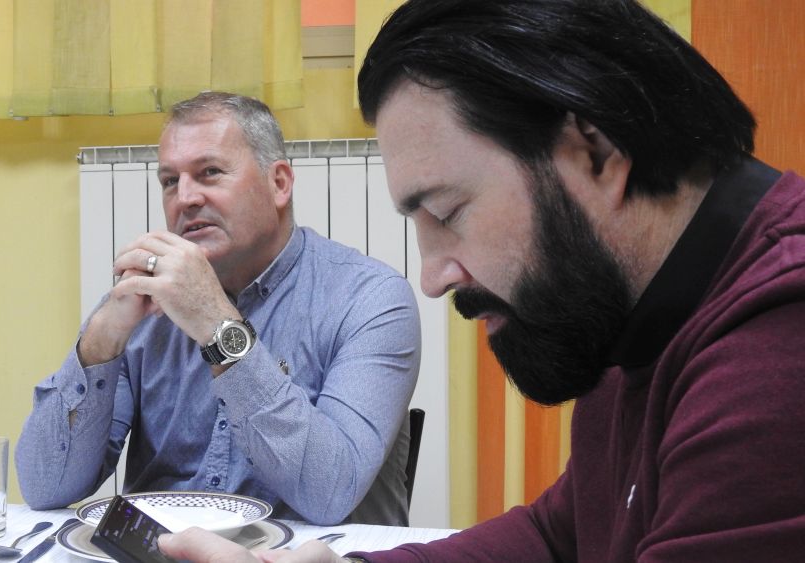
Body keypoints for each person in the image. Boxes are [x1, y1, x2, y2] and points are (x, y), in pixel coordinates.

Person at [156, 0, 805, 561]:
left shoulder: (775, 355)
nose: (433, 277)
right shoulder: (634, 310)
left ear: (597, 151)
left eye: (447, 212)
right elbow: (558, 535)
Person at [15, 92, 421, 526]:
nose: (185, 198)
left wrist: (216, 325)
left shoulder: (372, 299)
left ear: (279, 183)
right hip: (160, 551)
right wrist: (100, 342)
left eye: (209, 173)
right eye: (170, 181)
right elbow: (44, 487)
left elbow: (330, 492)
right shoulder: (145, 302)